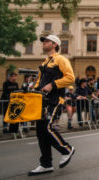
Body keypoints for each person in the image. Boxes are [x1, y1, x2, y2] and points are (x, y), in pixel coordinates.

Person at [28, 34, 75, 176]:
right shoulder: (44, 62)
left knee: (47, 127)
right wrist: (33, 89)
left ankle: (66, 149)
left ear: (54, 44)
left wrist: (53, 85)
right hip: (42, 100)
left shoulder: (61, 59)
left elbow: (70, 78)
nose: (44, 43)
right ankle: (46, 164)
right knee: (40, 131)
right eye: (44, 41)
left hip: (55, 99)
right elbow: (40, 81)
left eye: (47, 41)